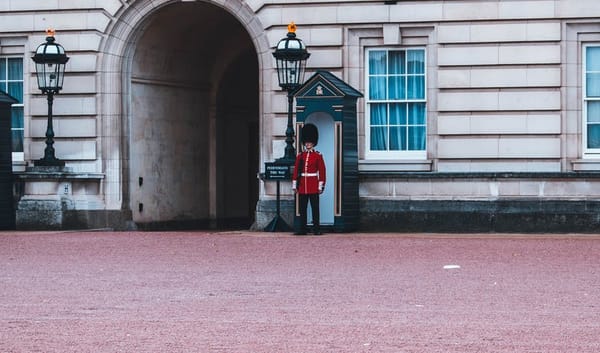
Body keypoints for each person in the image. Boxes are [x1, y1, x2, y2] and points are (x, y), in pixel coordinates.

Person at [292, 123, 326, 235]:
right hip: (302, 186)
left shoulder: (318, 156)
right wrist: (295, 185)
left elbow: (322, 171)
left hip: (313, 185)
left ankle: (317, 229)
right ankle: (303, 229)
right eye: (306, 142)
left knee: (315, 208)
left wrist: (320, 186)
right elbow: (296, 171)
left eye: (310, 142)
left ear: (313, 143)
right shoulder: (300, 156)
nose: (308, 144)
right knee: (303, 209)